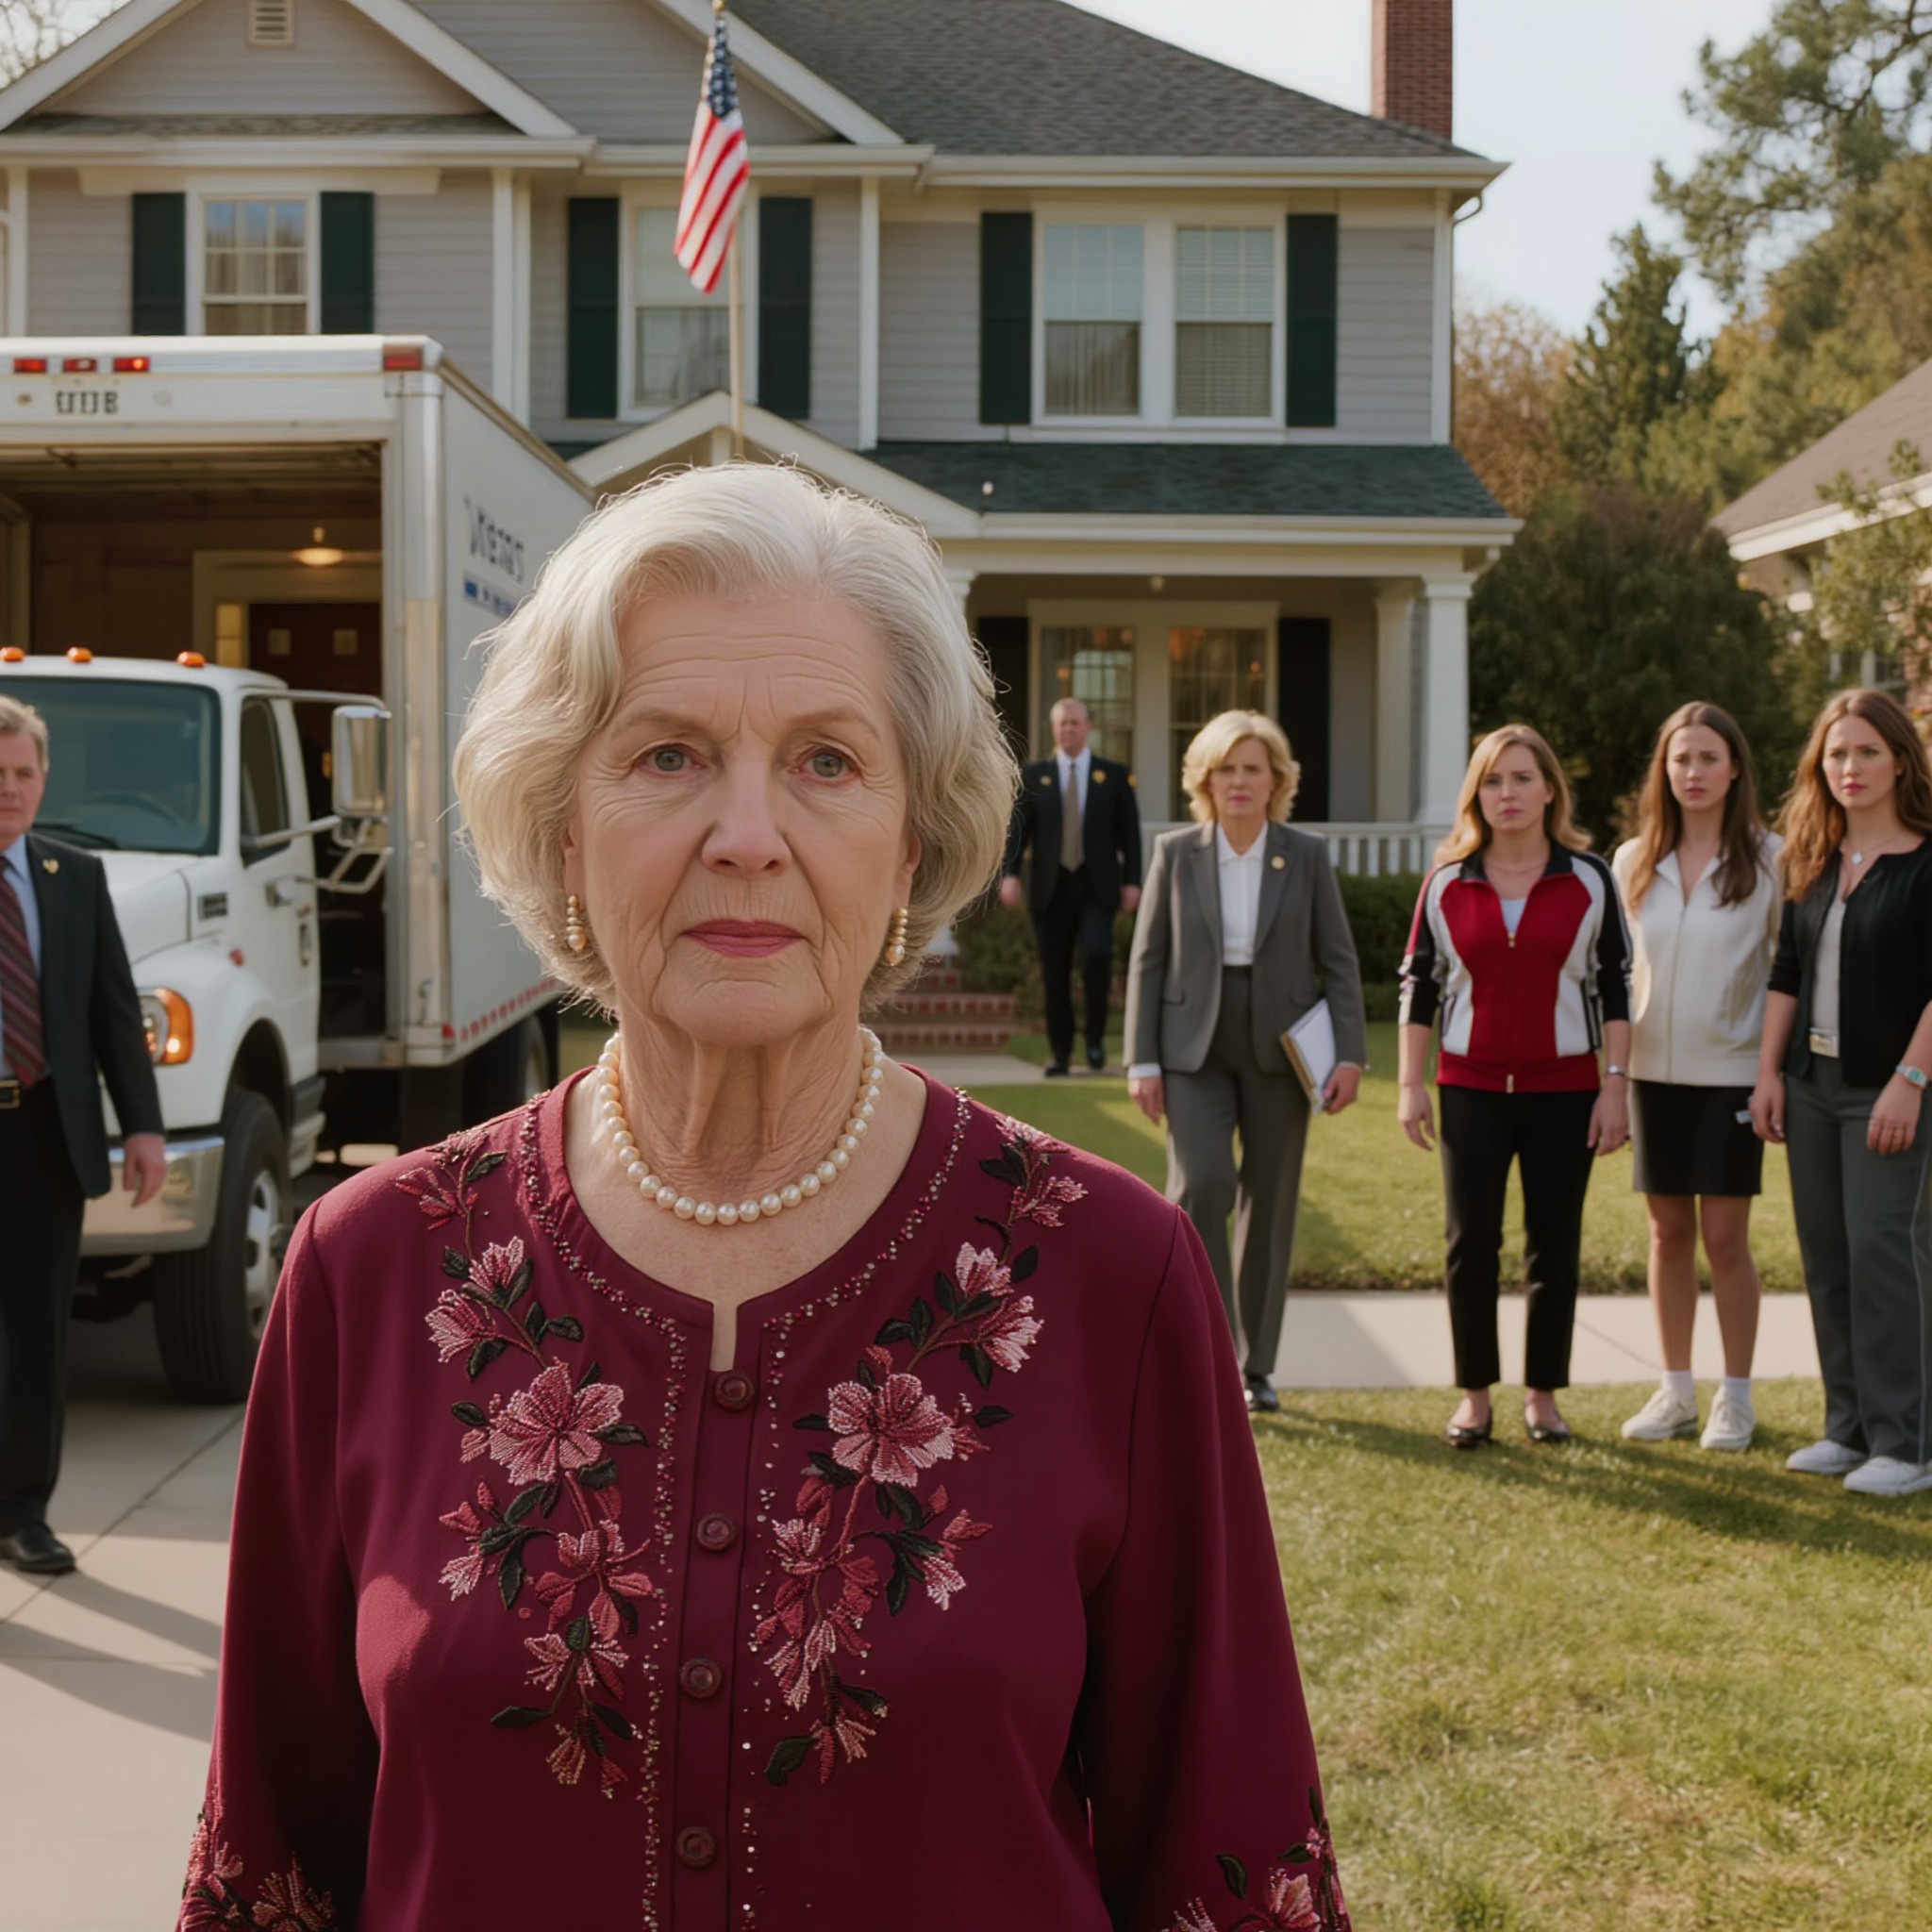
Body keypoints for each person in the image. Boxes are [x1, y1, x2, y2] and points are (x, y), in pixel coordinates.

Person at [180, 466, 1350, 1932]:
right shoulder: (372, 1272)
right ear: (561, 829)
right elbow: (271, 1875)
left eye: (828, 761)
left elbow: (1230, 1874)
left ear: (912, 842)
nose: (747, 833)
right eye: (667, 756)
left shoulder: (1113, 1277)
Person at [1124, 712, 1365, 1416]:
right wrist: (1142, 1058)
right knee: (1202, 1184)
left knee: (1271, 1199)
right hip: (1191, 1045)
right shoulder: (1176, 852)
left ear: (1276, 780)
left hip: (1281, 1049)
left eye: (1253, 769)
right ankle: (1205, 1351)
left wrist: (1349, 1053)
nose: (1239, 782)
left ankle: (1256, 1366)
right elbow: (1149, 959)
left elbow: (1339, 962)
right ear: (1205, 778)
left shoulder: (1307, 855)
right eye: (1226, 769)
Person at [1397, 724, 1631, 1449]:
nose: (1509, 794)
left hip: (1566, 1089)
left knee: (1554, 1246)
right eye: (1494, 781)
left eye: (1523, 778)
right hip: (1468, 1085)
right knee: (1471, 1243)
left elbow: (1615, 987)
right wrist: (1411, 1082)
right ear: (1477, 795)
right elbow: (1420, 987)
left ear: (1550, 789)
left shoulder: (1590, 879)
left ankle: (1543, 1395)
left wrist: (1614, 1087)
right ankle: (1474, 1396)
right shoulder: (1446, 883)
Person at [0, 693, 166, 1577]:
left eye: (24, 774)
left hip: (42, 1136)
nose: (12, 790)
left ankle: (24, 1511)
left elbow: (112, 1010)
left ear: (44, 777)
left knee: (37, 1333)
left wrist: (142, 1126)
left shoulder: (73, 877)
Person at [1751, 687, 1932, 1498]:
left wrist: (1911, 1079)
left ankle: (1909, 1443)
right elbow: (1786, 974)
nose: (1850, 768)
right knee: (1827, 1261)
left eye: (1865, 751)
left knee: (1885, 1258)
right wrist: (1769, 1074)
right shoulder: (1811, 860)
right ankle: (1847, 1428)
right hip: (1812, 1084)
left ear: (1899, 759)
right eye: (1836, 754)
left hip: (1891, 1089)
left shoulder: (1927, 860)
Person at [1612, 704, 1782, 1453]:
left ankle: (1735, 1399)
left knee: (1725, 1236)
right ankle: (1675, 1390)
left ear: (1735, 767)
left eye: (1708, 758)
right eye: (1681, 760)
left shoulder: (1771, 858)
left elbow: (1788, 974)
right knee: (1667, 1231)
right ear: (1665, 771)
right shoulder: (1632, 860)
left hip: (1733, 1074)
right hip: (1652, 1073)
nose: (1694, 773)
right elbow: (1617, 976)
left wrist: (1769, 1072)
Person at [999, 697, 1143, 1074]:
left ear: (1088, 728)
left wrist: (1133, 882)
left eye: (1075, 723)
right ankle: (1061, 1053)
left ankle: (1094, 1043)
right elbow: (1018, 832)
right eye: (1062, 724)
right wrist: (1010, 874)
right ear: (1054, 729)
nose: (1068, 730)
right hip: (1051, 888)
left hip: (1098, 887)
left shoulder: (1112, 775)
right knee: (1054, 971)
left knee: (1097, 957)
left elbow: (1130, 834)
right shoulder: (1035, 776)